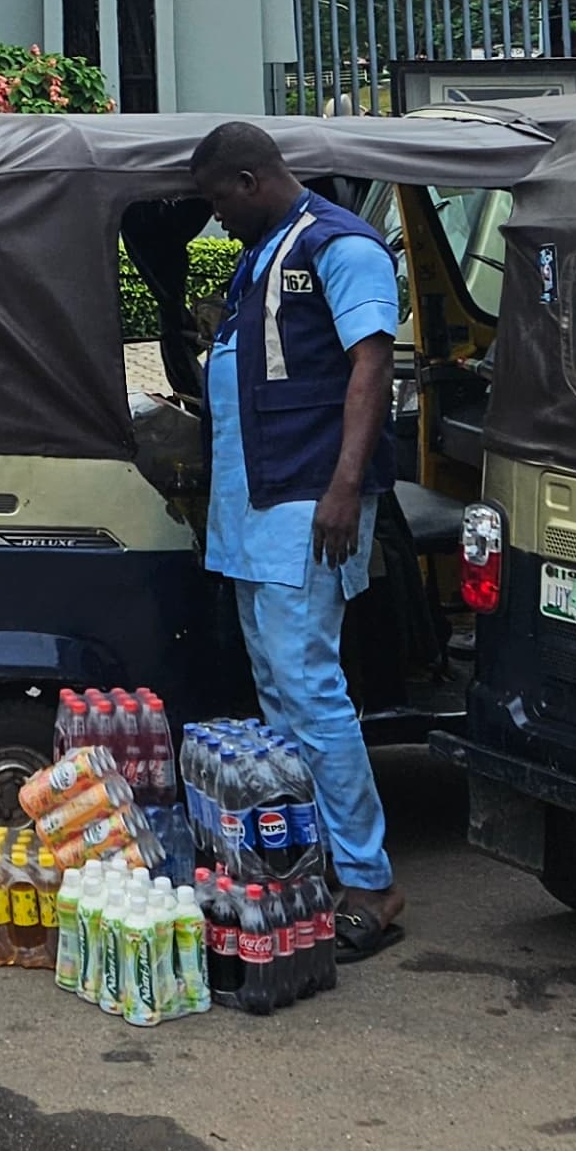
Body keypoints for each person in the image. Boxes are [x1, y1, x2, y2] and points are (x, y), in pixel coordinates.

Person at [188, 118, 405, 957]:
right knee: (279, 695)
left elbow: (372, 365)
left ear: (250, 182)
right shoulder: (262, 255)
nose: (216, 219)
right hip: (257, 506)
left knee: (309, 690)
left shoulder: (339, 247)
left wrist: (344, 488)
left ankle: (370, 883)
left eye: (218, 202)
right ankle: (306, 864)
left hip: (307, 502)